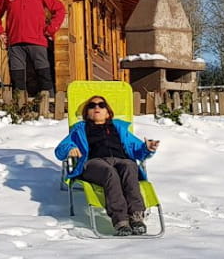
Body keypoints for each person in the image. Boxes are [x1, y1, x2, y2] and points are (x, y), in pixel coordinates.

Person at [56, 95, 160, 236]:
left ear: (107, 112)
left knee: (130, 166)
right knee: (109, 172)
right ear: (87, 113)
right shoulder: (80, 129)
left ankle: (136, 217)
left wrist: (147, 148)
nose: (97, 108)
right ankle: (121, 221)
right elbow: (60, 149)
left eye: (101, 105)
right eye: (92, 106)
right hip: (94, 163)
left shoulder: (119, 128)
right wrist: (69, 149)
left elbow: (138, 149)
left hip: (120, 160)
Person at [0, 0, 66, 99]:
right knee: (18, 78)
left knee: (43, 75)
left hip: (38, 41)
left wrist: (50, 30)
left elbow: (59, 9)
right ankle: (19, 110)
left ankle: (51, 107)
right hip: (15, 42)